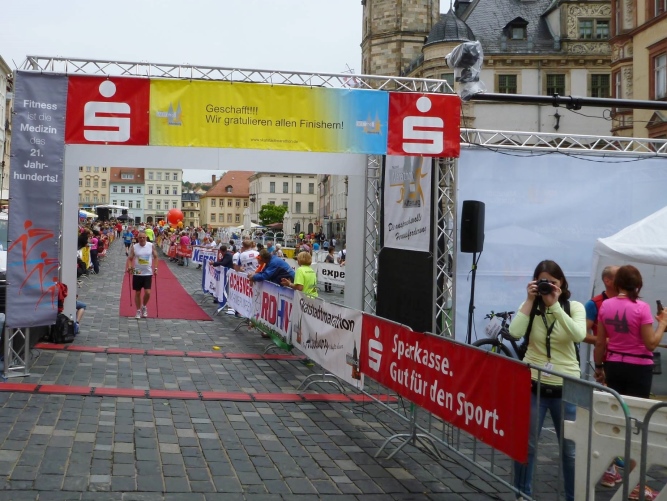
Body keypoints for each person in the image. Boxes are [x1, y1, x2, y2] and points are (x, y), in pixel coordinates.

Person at [508, 260, 586, 501]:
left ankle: (573, 497)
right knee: (526, 446)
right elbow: (514, 333)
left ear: (561, 282)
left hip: (567, 387)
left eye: (552, 282)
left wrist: (556, 307)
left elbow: (579, 335)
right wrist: (529, 300)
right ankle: (522, 495)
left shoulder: (574, 307)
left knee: (570, 451)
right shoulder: (531, 306)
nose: (548, 286)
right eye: (543, 282)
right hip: (534, 384)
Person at [594, 265, 667, 500]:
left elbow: (600, 343)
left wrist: (599, 367)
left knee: (618, 419)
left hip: (614, 365)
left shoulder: (606, 305)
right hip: (639, 369)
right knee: (637, 423)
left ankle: (610, 469)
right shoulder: (641, 308)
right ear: (638, 285)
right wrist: (662, 324)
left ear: (617, 284)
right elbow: (651, 343)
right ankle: (636, 484)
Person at [125, 231, 159, 319]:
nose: (142, 239)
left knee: (147, 292)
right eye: (140, 237)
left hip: (148, 272)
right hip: (137, 271)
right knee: (138, 292)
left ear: (146, 238)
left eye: (143, 237)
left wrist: (156, 268)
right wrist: (129, 267)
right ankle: (138, 310)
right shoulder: (134, 247)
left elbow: (156, 257)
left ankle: (144, 306)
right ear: (138, 238)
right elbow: (130, 258)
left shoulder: (151, 245)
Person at [584, 266, 619, 345]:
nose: (625, 281)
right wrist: (606, 341)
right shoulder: (593, 304)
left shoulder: (631, 302)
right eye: (620, 277)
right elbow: (582, 334)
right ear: (607, 281)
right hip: (604, 352)